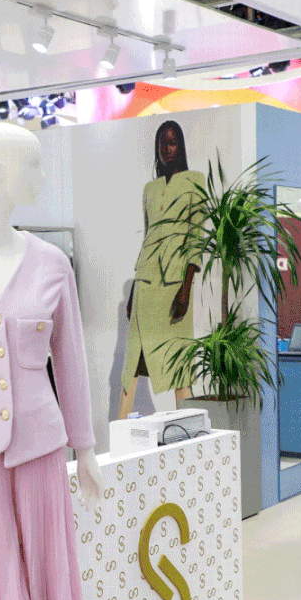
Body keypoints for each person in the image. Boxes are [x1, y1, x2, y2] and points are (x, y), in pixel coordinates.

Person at [118, 119, 204, 419]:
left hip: (175, 286)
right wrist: (133, 292)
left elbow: (196, 238)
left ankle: (189, 430)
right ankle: (119, 429)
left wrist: (186, 289)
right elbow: (147, 238)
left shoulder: (196, 182)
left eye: (172, 142)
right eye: (162, 143)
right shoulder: (149, 189)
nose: (167, 149)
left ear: (180, 146)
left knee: (180, 363)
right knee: (132, 361)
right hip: (145, 283)